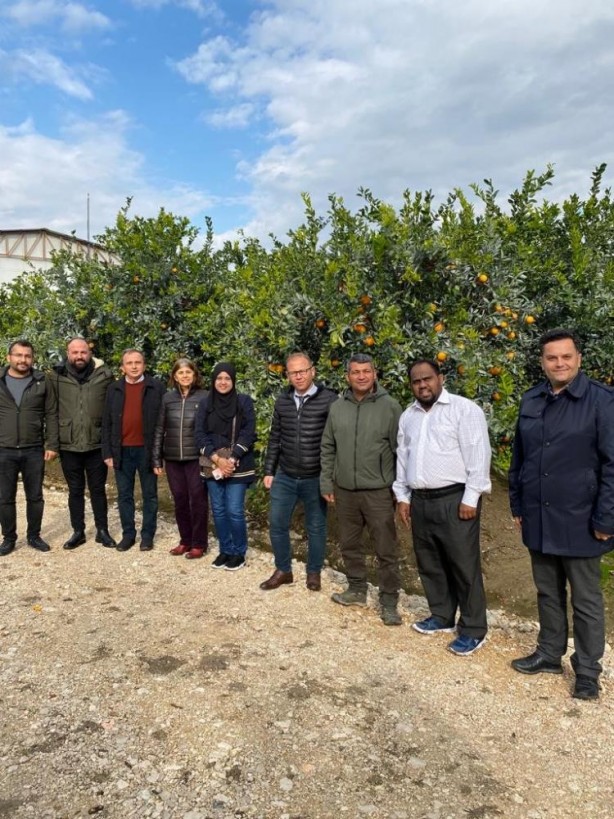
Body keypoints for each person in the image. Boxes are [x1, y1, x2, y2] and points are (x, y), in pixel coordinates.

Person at [509, 329, 614, 700]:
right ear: (542, 362)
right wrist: (517, 504)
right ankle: (550, 653)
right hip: (538, 516)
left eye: (566, 356)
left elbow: (612, 465)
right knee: (547, 592)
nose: (559, 363)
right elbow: (520, 458)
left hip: (581, 521)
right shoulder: (531, 400)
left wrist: (606, 519)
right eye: (552, 358)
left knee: (585, 600)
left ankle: (587, 670)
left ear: (579, 359)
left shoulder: (601, 401)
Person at [393, 359, 491, 656]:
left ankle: (474, 629)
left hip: (455, 499)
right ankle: (442, 615)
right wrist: (402, 496)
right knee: (430, 561)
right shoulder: (408, 416)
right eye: (416, 381)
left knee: (463, 565)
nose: (422, 385)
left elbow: (478, 454)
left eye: (428, 379)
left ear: (441, 378)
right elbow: (403, 456)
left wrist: (471, 497)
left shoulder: (464, 410)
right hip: (421, 500)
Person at [320, 353, 403, 625]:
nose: (361, 376)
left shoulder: (390, 407)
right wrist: (326, 481)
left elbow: (401, 450)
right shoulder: (337, 407)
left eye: (366, 371)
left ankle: (389, 600)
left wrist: (399, 490)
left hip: (378, 491)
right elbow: (328, 446)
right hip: (344, 490)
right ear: (348, 376)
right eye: (355, 372)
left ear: (374, 374)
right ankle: (356, 588)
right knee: (349, 543)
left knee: (385, 548)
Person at [260, 352, 337, 592]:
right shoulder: (283, 401)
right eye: (294, 372)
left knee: (316, 527)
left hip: (315, 476)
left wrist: (330, 478)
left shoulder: (330, 400)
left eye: (303, 370)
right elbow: (275, 438)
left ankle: (313, 573)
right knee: (277, 523)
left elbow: (336, 441)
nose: (299, 375)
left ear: (312, 371)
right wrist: (269, 470)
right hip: (286, 474)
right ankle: (283, 570)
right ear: (288, 375)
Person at [50, 337, 116, 550]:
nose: (79, 356)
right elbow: (50, 411)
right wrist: (51, 442)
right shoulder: (56, 377)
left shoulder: (105, 376)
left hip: (96, 443)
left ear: (90, 353)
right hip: (68, 444)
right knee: (75, 490)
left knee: (98, 490)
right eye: (75, 352)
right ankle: (77, 531)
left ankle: (102, 531)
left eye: (83, 352)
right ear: (67, 354)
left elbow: (113, 410)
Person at [102, 349, 165, 552]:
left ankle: (147, 536)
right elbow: (107, 422)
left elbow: (163, 423)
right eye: (129, 363)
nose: (134, 366)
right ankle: (128, 535)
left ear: (144, 365)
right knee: (124, 495)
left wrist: (159, 454)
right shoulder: (114, 389)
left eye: (138, 362)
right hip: (121, 450)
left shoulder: (156, 387)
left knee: (150, 495)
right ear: (122, 368)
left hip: (146, 451)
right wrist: (107, 452)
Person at [194, 362, 256, 571]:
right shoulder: (205, 404)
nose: (222, 382)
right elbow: (199, 433)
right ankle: (225, 549)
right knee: (219, 511)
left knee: (234, 510)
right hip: (213, 464)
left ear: (233, 380)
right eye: (219, 378)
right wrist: (216, 459)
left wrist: (233, 457)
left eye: (227, 378)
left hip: (238, 463)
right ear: (213, 381)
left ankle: (239, 552)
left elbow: (249, 431)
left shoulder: (243, 402)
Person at [0, 340, 59, 555]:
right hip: (3, 449)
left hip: (33, 448)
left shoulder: (42, 380)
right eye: (18, 355)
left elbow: (51, 414)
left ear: (32, 359)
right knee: (5, 497)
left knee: (34, 496)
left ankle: (34, 536)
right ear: (9, 357)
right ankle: (9, 538)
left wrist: (52, 443)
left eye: (27, 356)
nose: (23, 359)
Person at [152, 358, 209, 559]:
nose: (185, 376)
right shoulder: (168, 398)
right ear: (174, 376)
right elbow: (160, 428)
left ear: (195, 375)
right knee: (180, 500)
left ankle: (200, 543)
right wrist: (156, 459)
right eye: (180, 373)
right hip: (173, 457)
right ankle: (185, 540)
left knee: (198, 500)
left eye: (188, 372)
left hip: (196, 457)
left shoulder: (205, 397)